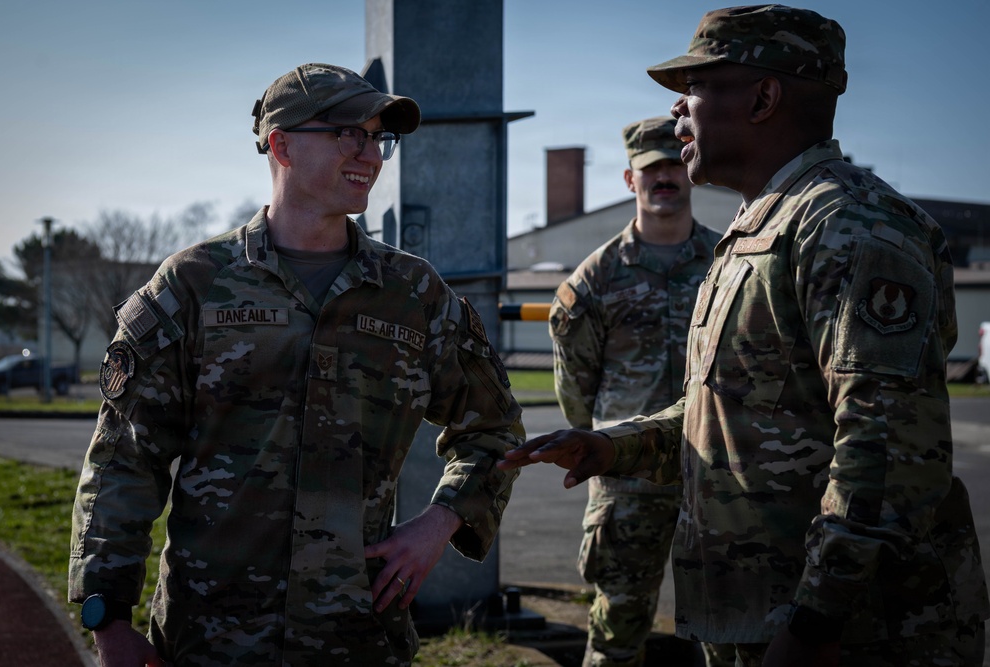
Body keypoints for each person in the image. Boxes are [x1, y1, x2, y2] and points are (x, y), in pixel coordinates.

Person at [501, 5, 989, 666]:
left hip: (850, 635)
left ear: (764, 97)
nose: (676, 114)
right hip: (751, 620)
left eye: (694, 88)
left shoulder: (850, 226)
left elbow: (886, 452)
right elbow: (731, 413)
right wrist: (611, 446)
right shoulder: (757, 230)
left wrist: (814, 624)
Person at [68, 62, 524, 666]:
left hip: (357, 638)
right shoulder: (194, 285)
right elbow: (126, 457)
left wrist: (441, 520)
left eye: (377, 136)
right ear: (281, 144)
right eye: (346, 133)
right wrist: (107, 618)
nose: (369, 153)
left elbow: (495, 429)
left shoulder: (414, 294)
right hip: (210, 640)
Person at [550, 116, 726, 666]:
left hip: (720, 473)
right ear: (631, 180)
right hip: (628, 478)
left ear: (691, 172)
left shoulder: (730, 262)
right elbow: (575, 393)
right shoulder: (594, 280)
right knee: (618, 628)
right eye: (652, 170)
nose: (665, 178)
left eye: (674, 164)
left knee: (733, 625)